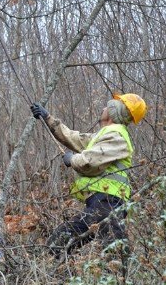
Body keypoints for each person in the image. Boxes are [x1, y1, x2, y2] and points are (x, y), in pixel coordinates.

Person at [30, 93, 147, 256]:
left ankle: (46, 266)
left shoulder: (117, 135)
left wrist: (72, 159)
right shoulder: (104, 135)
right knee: (113, 252)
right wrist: (47, 117)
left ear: (114, 111)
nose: (104, 108)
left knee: (62, 242)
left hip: (108, 203)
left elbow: (89, 162)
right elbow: (73, 138)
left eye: (108, 105)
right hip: (102, 203)